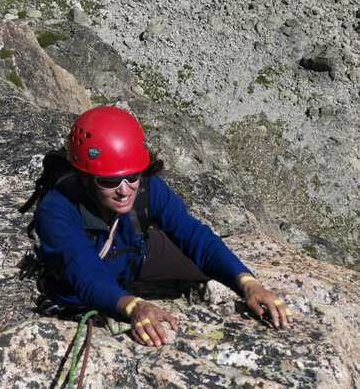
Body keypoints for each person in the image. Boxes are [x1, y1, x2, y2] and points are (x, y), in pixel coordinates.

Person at [35, 106, 293, 347]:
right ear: (84, 177)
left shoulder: (149, 189)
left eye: (132, 176)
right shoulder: (57, 210)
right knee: (93, 285)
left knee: (214, 268)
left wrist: (249, 284)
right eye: (108, 181)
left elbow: (195, 236)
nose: (125, 191)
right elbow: (87, 276)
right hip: (78, 291)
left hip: (134, 256)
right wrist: (134, 306)